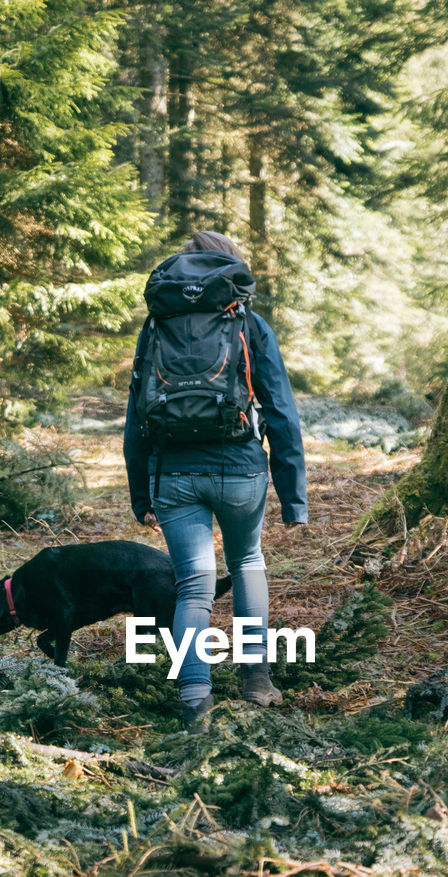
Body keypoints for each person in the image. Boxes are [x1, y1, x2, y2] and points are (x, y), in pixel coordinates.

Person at [123, 230, 308, 731]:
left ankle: (194, 697)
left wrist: (141, 492)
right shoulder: (248, 322)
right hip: (241, 470)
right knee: (247, 562)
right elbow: (281, 411)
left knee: (193, 585)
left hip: (174, 475)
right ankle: (256, 680)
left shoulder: (157, 323)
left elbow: (136, 413)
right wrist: (294, 499)